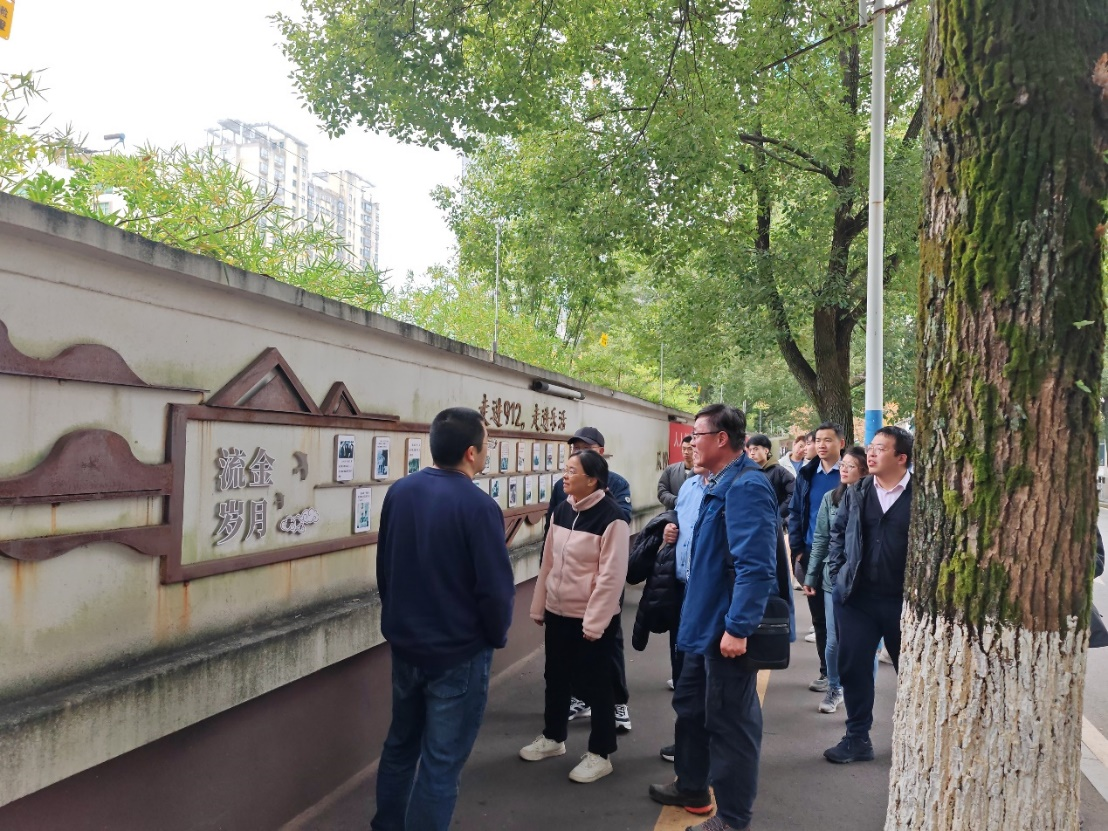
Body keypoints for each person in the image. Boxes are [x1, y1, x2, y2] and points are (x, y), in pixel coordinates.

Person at [372, 408, 515, 831]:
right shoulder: (480, 507)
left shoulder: (400, 493)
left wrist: (396, 621)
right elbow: (495, 590)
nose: (487, 451)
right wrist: (494, 636)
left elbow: (385, 568)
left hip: (406, 646)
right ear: (472, 452)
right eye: (487, 444)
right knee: (441, 762)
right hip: (459, 653)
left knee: (400, 746)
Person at [649, 404, 781, 831]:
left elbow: (755, 567)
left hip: (724, 630)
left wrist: (738, 628)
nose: (690, 443)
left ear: (722, 439)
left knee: (730, 724)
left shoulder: (746, 486)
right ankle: (691, 785)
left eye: (697, 435)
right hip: (701, 622)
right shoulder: (714, 482)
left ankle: (732, 819)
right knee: (691, 707)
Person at [520, 449, 630, 783]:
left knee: (597, 685)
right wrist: (539, 605)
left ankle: (600, 753)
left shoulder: (612, 518)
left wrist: (595, 623)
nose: (564, 476)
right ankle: (553, 737)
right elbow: (548, 563)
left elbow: (612, 576)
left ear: (592, 479)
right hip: (558, 612)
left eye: (571, 471)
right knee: (555, 678)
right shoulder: (563, 510)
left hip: (592, 618)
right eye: (565, 470)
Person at [824, 426, 914, 764]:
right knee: (854, 669)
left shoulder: (920, 495)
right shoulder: (858, 490)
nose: (871, 453)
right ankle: (857, 738)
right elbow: (838, 532)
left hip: (903, 603)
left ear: (901, 457)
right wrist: (838, 573)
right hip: (857, 599)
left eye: (880, 448)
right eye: (870, 447)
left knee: (912, 672)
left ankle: (913, 740)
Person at [545, 427, 634, 731]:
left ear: (600, 453)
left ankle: (617, 703)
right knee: (568, 651)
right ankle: (578, 699)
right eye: (575, 448)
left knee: (607, 646)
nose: (578, 452)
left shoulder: (616, 484)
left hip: (600, 583)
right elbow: (551, 529)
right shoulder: (562, 486)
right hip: (566, 589)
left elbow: (620, 522)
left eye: (585, 448)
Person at [803, 445, 867, 715]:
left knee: (861, 644)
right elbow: (821, 539)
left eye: (851, 466)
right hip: (834, 579)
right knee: (832, 641)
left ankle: (859, 694)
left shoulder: (873, 498)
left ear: (864, 471)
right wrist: (811, 575)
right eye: (843, 465)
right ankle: (834, 687)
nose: (844, 469)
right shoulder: (831, 498)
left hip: (865, 581)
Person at [657, 464, 710, 763]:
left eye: (698, 441)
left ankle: (709, 745)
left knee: (708, 674)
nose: (692, 447)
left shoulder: (737, 487)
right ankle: (686, 742)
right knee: (682, 671)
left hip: (711, 597)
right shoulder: (689, 487)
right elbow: (678, 523)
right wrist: (669, 531)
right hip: (680, 590)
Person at [787, 421, 845, 694]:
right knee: (820, 618)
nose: (821, 445)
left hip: (845, 557)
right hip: (812, 553)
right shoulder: (807, 473)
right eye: (817, 440)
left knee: (844, 619)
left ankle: (844, 673)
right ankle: (826, 671)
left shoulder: (852, 473)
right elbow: (796, 512)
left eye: (827, 440)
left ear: (841, 443)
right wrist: (798, 549)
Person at [745, 433, 794, 527]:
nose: (752, 453)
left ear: (766, 450)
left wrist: (779, 513)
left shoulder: (779, 471)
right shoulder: (747, 473)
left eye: (756, 449)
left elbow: (794, 492)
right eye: (750, 450)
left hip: (773, 525)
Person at [658, 434, 696, 508]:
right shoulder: (670, 470)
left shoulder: (702, 472)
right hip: (673, 512)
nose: (686, 452)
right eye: (684, 449)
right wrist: (675, 500)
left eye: (690, 449)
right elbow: (662, 492)